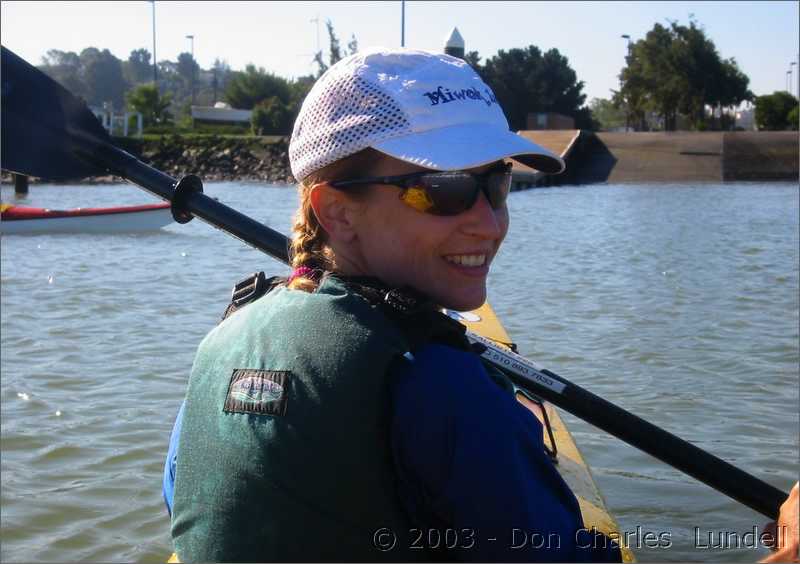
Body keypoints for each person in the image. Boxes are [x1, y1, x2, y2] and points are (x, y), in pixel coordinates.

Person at [163, 48, 799, 562]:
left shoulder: (226, 339)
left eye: (497, 184)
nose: (489, 224)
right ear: (336, 211)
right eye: (443, 191)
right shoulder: (439, 384)